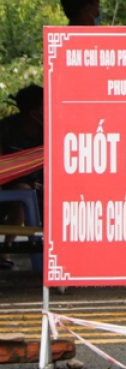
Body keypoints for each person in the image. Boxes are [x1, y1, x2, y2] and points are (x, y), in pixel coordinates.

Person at [0, 84, 44, 269]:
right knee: (23, 191)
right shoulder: (6, 129)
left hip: (36, 186)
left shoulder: (50, 131)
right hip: (8, 182)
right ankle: (5, 253)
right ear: (34, 112)